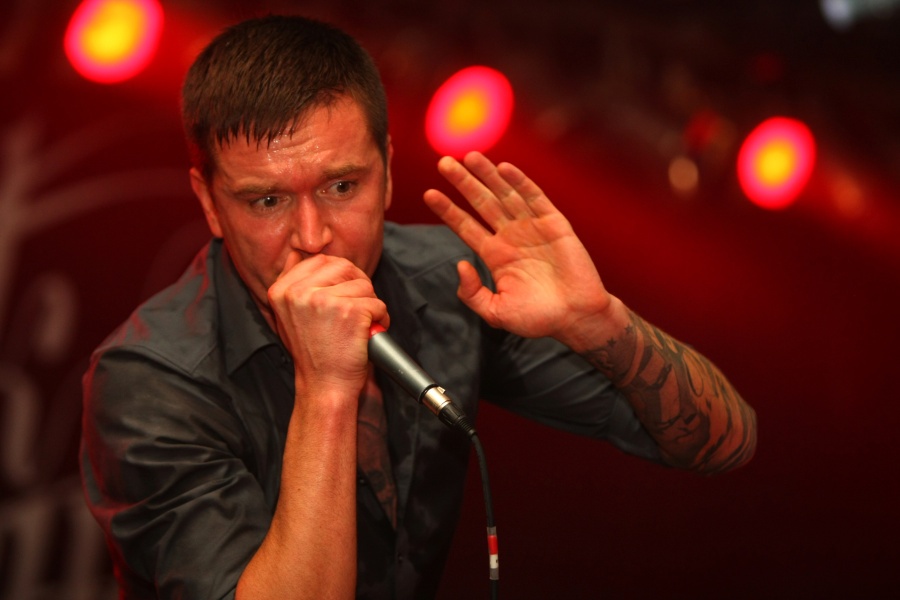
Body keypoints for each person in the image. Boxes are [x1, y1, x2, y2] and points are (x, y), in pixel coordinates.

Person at [80, 14, 757, 600]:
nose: (312, 236)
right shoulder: (150, 380)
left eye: (342, 186)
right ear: (209, 203)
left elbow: (725, 444)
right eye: (268, 200)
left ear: (387, 171)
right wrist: (327, 387)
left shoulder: (450, 281)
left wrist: (602, 323)